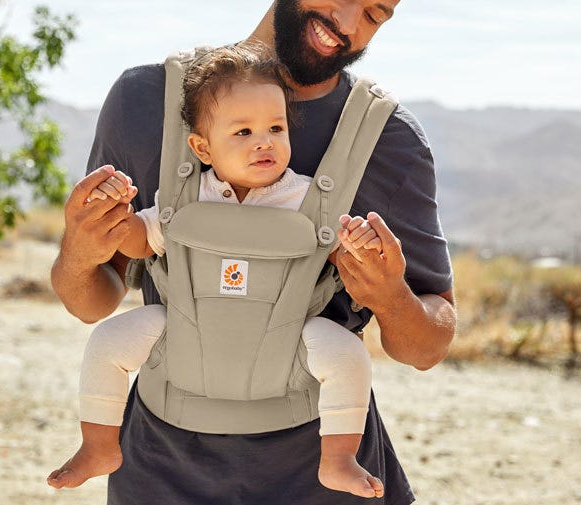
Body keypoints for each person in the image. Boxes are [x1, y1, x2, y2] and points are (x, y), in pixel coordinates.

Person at [51, 0, 457, 505]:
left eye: (374, 14)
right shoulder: (146, 103)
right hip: (161, 472)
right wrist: (80, 250)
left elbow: (428, 346)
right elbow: (90, 301)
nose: (346, 22)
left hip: (324, 482)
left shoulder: (389, 145)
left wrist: (390, 298)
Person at [47, 43, 388, 497]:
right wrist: (115, 214)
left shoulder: (306, 199)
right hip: (184, 328)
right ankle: (99, 444)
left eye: (275, 128)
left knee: (348, 356)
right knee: (107, 342)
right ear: (202, 147)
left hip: (289, 338)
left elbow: (335, 254)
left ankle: (338, 458)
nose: (264, 141)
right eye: (243, 132)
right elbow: (138, 240)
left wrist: (360, 247)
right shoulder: (186, 198)